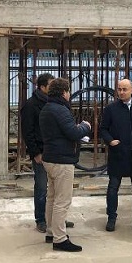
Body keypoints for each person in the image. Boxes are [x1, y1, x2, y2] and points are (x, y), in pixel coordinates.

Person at [39, 77, 91, 252]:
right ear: (64, 92)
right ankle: (60, 239)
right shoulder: (60, 109)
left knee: (52, 198)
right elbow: (72, 132)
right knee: (62, 201)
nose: (69, 94)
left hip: (50, 158)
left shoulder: (47, 108)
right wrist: (85, 126)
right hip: (62, 161)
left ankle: (50, 231)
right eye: (68, 91)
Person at [22, 73, 74, 233]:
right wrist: (35, 152)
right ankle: (41, 219)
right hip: (42, 153)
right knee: (42, 188)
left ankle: (56, 221)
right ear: (43, 87)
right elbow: (28, 131)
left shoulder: (56, 104)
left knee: (55, 191)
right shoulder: (31, 105)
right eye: (51, 85)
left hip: (55, 153)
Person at [100, 78, 132, 232]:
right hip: (118, 154)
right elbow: (103, 129)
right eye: (119, 89)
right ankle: (111, 218)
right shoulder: (111, 109)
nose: (121, 92)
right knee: (113, 187)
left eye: (125, 89)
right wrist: (110, 141)